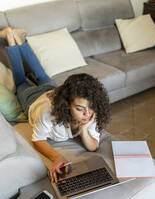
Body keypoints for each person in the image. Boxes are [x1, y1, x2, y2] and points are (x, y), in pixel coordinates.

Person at [1, 27, 111, 183]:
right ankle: (9, 39)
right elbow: (38, 140)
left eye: (90, 107)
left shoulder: (89, 111)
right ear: (67, 105)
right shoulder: (47, 113)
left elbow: (93, 146)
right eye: (80, 109)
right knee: (20, 80)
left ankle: (19, 39)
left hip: (53, 91)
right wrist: (56, 157)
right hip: (34, 100)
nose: (87, 114)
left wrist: (84, 129)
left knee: (41, 74)